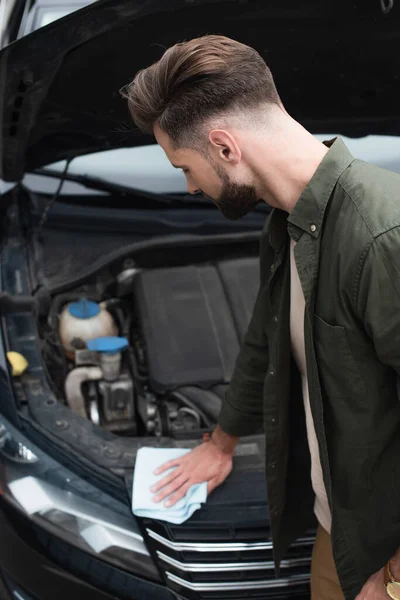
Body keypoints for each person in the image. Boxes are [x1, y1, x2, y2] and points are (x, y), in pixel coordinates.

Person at [122, 35, 400, 600]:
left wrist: (394, 572)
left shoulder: (381, 236)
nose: (190, 186)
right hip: (339, 530)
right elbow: (265, 341)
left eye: (185, 166)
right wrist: (220, 442)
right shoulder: (287, 221)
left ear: (224, 147)